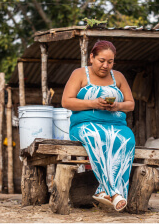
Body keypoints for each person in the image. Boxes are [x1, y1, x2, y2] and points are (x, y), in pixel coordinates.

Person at [61, 40, 135, 212]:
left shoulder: (119, 77)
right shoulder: (79, 74)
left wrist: (117, 106)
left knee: (128, 140)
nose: (105, 65)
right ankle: (114, 193)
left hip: (115, 125)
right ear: (91, 58)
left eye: (110, 62)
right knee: (96, 136)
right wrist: (93, 103)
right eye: (102, 60)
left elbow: (130, 104)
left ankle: (104, 191)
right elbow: (66, 101)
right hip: (85, 127)